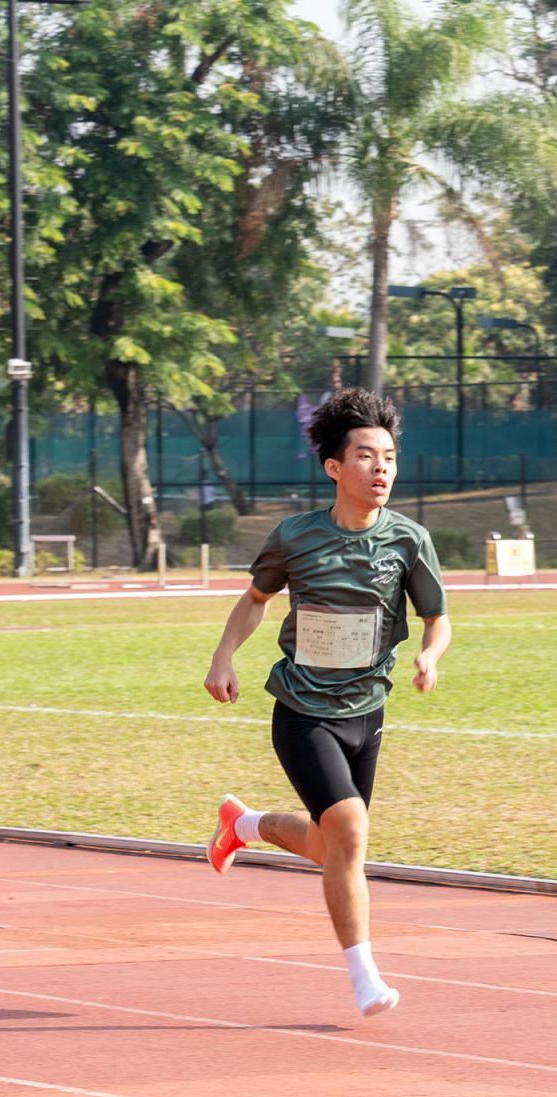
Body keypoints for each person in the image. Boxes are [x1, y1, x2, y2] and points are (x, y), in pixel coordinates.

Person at [201, 388, 451, 1018]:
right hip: (303, 710)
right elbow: (255, 600)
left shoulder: (410, 540)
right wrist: (223, 657)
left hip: (367, 712)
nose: (381, 468)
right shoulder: (296, 537)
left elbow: (438, 618)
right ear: (334, 467)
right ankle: (366, 979)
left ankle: (244, 825)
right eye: (365, 456)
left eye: (389, 457)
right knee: (351, 832)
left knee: (335, 844)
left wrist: (430, 655)